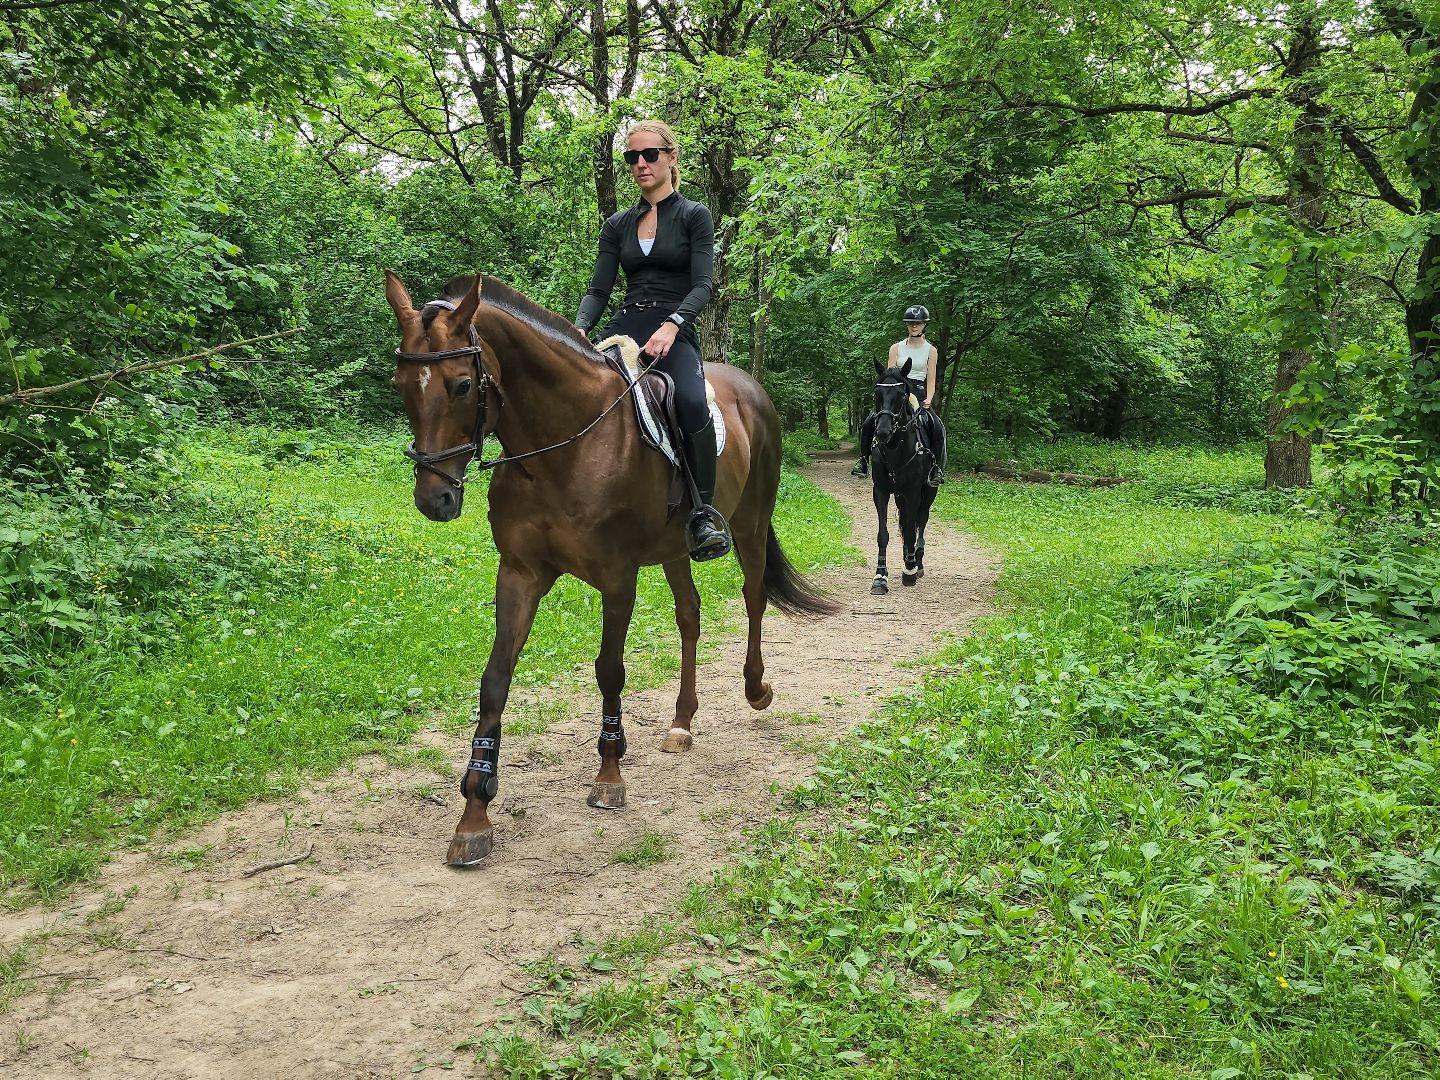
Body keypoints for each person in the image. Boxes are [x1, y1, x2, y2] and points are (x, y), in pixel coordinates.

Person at [576, 119, 731, 561]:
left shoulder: (694, 215)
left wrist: (675, 323)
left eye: (649, 155)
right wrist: (581, 328)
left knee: (691, 402)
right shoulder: (618, 224)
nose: (640, 164)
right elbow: (599, 288)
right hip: (624, 326)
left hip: (673, 330)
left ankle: (703, 513)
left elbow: (703, 283)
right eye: (631, 157)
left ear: (671, 157)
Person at [851, 305, 947, 486]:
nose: (914, 326)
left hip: (918, 393)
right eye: (911, 323)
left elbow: (931, 380)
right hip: (895, 392)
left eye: (918, 323)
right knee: (869, 421)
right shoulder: (895, 348)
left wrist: (929, 398)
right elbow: (889, 374)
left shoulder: (931, 350)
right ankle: (863, 460)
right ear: (907, 325)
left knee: (936, 426)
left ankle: (936, 467)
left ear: (924, 325)